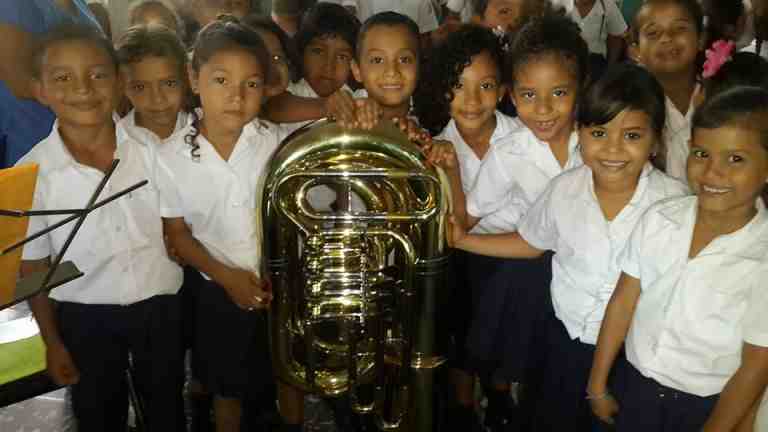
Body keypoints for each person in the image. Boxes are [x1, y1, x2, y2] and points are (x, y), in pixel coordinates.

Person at [449, 62, 689, 432]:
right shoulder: (564, 189)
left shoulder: (675, 207)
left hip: (634, 357)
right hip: (563, 343)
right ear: (581, 133)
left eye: (632, 136)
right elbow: (532, 242)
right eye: (599, 132)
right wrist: (466, 240)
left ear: (656, 139)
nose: (613, 149)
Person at [18, 24, 185, 431]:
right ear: (39, 89)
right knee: (96, 412)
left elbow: (176, 228)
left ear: (119, 82)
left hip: (159, 304)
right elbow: (34, 269)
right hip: (83, 316)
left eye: (97, 74)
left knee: (166, 408)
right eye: (63, 78)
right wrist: (52, 341)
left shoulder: (151, 149)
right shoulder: (32, 173)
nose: (83, 88)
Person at [587, 85, 768, 432]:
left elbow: (755, 364)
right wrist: (597, 385)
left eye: (736, 159)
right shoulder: (660, 219)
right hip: (633, 382)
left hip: (701, 406)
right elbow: (624, 301)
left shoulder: (762, 256)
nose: (713, 172)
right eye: (701, 154)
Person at [157, 16, 278, 432]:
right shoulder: (170, 157)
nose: (236, 96)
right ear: (194, 78)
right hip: (215, 291)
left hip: (273, 287)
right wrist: (228, 277)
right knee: (226, 390)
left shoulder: (274, 142)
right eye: (221, 80)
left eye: (252, 83)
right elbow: (178, 236)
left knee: (272, 380)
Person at [414, 24, 515, 431]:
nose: (472, 100)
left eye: (486, 85)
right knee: (458, 330)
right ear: (443, 89)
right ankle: (461, 407)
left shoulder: (523, 141)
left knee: (506, 334)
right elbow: (452, 227)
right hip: (461, 263)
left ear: (504, 89)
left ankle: (500, 395)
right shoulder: (434, 145)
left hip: (514, 260)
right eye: (458, 85)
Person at [0, 0, 102, 168]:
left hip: (80, 142)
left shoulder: (79, 5)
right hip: (30, 138)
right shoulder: (12, 5)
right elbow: (18, 78)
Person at [628, 0, 704, 180]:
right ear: (636, 51)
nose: (667, 38)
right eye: (653, 33)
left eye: (679, 29)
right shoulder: (630, 106)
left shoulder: (721, 96)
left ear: (701, 39)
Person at [262, 2, 360, 133]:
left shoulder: (357, 99)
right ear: (301, 52)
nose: (329, 66)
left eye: (342, 57)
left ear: (353, 65)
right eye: (318, 51)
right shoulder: (290, 92)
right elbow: (274, 106)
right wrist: (326, 106)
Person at [116, 24, 191, 144]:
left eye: (169, 83)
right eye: (140, 87)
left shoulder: (206, 133)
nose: (157, 99)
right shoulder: (115, 143)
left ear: (186, 78)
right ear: (122, 86)